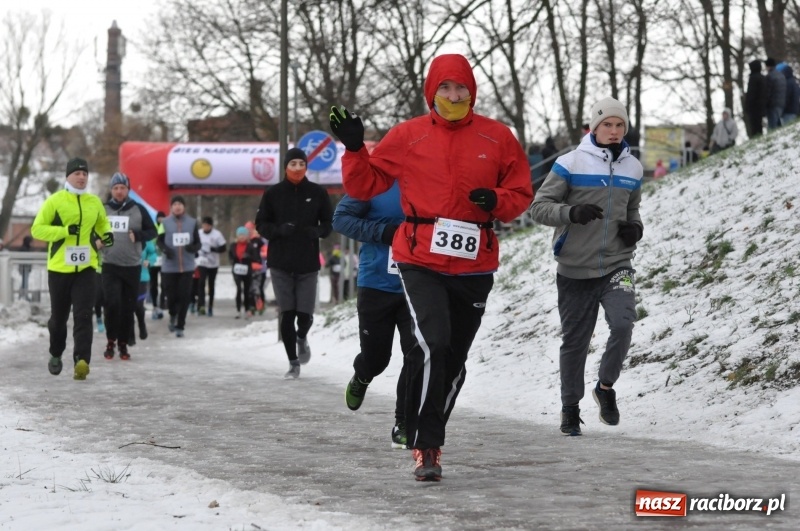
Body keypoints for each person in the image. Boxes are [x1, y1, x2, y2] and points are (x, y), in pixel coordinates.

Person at [330, 53, 533, 481]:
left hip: (474, 262)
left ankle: (428, 429)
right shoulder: (408, 136)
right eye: (445, 88)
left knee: (454, 360)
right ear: (431, 91)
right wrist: (352, 149)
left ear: (472, 91)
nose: (454, 96)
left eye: (461, 88)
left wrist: (497, 201)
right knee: (431, 344)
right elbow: (365, 183)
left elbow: (519, 192)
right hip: (419, 257)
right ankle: (426, 446)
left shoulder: (498, 137)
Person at [529, 96, 643, 437]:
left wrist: (635, 228)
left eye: (619, 125)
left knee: (623, 324)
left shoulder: (632, 168)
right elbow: (538, 208)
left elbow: (633, 210)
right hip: (574, 268)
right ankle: (570, 408)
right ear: (594, 127)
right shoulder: (570, 163)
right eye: (607, 124)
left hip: (616, 264)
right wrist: (570, 213)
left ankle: (605, 388)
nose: (613, 130)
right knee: (575, 341)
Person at [333, 181, 415, 449]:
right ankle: (363, 374)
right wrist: (384, 232)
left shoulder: (432, 175)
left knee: (416, 355)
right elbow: (341, 219)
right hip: (377, 283)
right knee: (377, 358)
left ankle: (403, 423)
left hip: (420, 284)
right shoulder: (376, 181)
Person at [30, 157, 114, 380]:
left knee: (84, 315)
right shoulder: (55, 201)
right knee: (58, 319)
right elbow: (37, 230)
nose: (81, 177)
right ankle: (56, 353)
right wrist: (65, 231)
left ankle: (82, 360)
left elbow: (102, 223)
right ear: (67, 176)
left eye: (85, 173)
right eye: (77, 173)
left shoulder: (94, 202)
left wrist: (107, 234)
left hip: (86, 268)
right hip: (59, 269)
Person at [255, 147, 333, 379]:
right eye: (293, 164)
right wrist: (277, 230)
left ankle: (302, 337)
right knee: (287, 314)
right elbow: (261, 224)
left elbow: (329, 223)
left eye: (301, 164)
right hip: (280, 262)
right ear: (285, 167)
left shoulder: (318, 192)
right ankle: (293, 362)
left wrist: (316, 231)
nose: (297, 168)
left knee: (305, 315)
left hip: (308, 262)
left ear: (306, 166)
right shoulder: (273, 193)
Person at [100, 172, 157, 360]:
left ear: (128, 190)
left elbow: (153, 231)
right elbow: (93, 231)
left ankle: (123, 344)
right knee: (112, 304)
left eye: (122, 188)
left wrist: (139, 236)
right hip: (110, 264)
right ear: (111, 190)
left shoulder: (138, 209)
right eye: (115, 188)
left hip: (132, 266)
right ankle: (110, 341)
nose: (118, 191)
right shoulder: (103, 209)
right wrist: (96, 241)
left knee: (127, 307)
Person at [157, 196, 201, 337]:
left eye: (180, 204)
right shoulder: (164, 223)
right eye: (175, 204)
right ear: (171, 207)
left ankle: (180, 325)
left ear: (184, 207)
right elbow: (159, 241)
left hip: (187, 267)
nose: (177, 206)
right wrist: (166, 250)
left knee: (185, 296)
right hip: (169, 267)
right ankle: (172, 314)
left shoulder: (193, 223)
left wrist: (192, 248)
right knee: (171, 297)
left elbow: (198, 243)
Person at [229, 226, 259, 318]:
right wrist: (233, 261)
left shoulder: (250, 246)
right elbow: (230, 256)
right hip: (237, 270)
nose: (241, 237)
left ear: (247, 236)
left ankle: (247, 309)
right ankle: (238, 310)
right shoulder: (233, 245)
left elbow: (256, 258)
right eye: (240, 235)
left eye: (243, 235)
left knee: (246, 290)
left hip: (247, 270)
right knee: (238, 289)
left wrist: (248, 256)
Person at [132, 239, 158, 343]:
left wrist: (150, 260)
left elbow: (153, 253)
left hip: (142, 278)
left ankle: (142, 324)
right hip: (126, 277)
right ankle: (130, 334)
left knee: (138, 304)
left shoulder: (146, 240)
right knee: (128, 307)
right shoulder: (124, 240)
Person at [149, 211, 167, 320]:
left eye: (162, 217)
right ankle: (155, 304)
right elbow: (149, 242)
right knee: (153, 284)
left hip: (164, 260)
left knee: (164, 283)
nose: (161, 219)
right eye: (159, 217)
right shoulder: (153, 227)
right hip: (154, 259)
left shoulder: (167, 228)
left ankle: (162, 302)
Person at [745, 60, 768, 138]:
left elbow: (751, 93)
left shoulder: (753, 78)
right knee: (759, 125)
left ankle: (756, 137)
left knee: (755, 126)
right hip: (762, 105)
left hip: (754, 107)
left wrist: (747, 106)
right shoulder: (762, 78)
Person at [765, 57, 786, 131]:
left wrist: (766, 103)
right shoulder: (781, 75)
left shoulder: (770, 76)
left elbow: (768, 92)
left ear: (768, 66)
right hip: (781, 102)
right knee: (779, 124)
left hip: (772, 104)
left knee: (772, 126)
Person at [17, 235, 33, 300]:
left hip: (25, 268)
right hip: (24, 268)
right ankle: (24, 296)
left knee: (24, 282)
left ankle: (21, 295)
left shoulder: (25, 248)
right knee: (25, 282)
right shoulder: (24, 249)